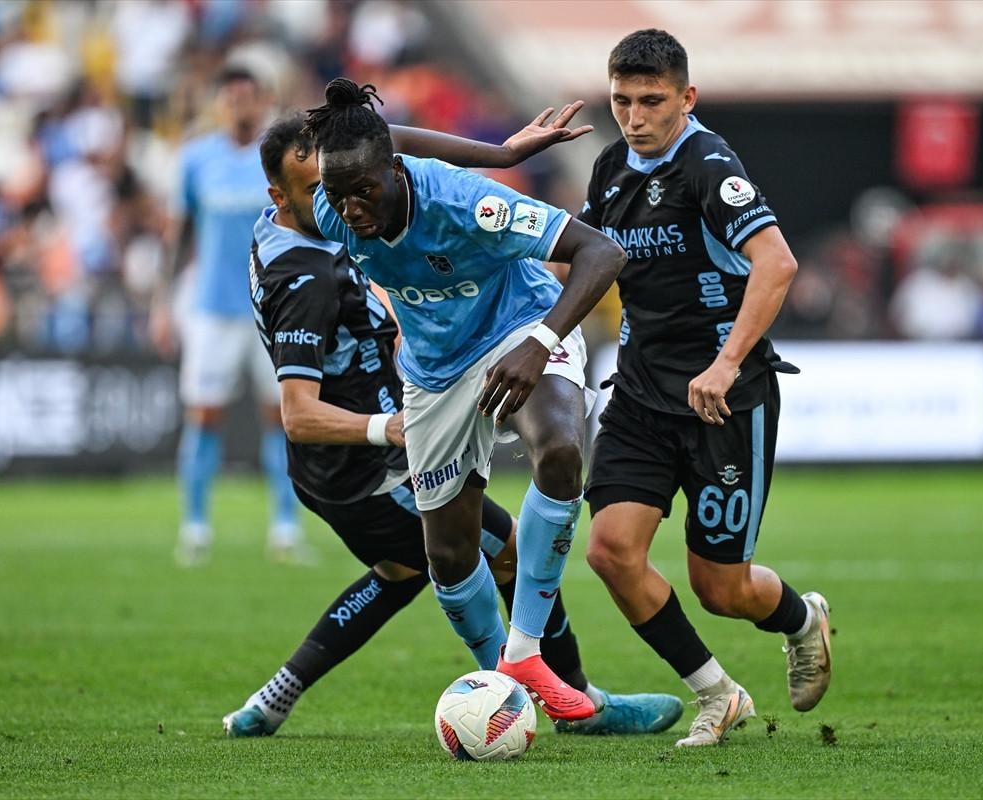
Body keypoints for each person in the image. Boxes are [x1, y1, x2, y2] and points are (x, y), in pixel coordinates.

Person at [222, 112, 682, 737]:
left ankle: (280, 698)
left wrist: (501, 154)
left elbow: (392, 140)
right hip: (376, 459)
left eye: (357, 187)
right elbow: (297, 413)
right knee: (473, 555)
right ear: (288, 197)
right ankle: (545, 695)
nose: (346, 207)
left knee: (407, 570)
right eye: (326, 190)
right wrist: (388, 427)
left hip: (365, 445)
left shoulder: (303, 223)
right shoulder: (307, 275)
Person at [304, 78, 626, 721]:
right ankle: (503, 687)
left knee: (560, 450)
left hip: (521, 326)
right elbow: (379, 140)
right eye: (338, 195)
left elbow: (601, 252)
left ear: (395, 171)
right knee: (449, 557)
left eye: (364, 191)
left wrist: (539, 343)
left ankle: (525, 650)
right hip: (434, 370)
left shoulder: (468, 204)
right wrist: (501, 152)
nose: (351, 209)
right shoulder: (333, 198)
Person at [576, 29, 833, 747]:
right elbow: (581, 258)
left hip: (725, 401)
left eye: (651, 101)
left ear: (686, 98)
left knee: (721, 589)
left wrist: (724, 363)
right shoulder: (609, 167)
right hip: (639, 394)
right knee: (609, 550)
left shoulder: (709, 167)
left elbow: (777, 264)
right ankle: (717, 694)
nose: (634, 117)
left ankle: (802, 620)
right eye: (621, 101)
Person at [149, 65, 304, 566]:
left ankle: (286, 526)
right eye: (232, 96)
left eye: (249, 96)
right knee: (204, 414)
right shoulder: (196, 159)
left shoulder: (281, 158)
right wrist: (162, 302)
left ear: (263, 101)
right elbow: (179, 235)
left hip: (274, 307)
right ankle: (195, 526)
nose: (241, 105)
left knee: (283, 418)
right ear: (219, 103)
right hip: (212, 308)